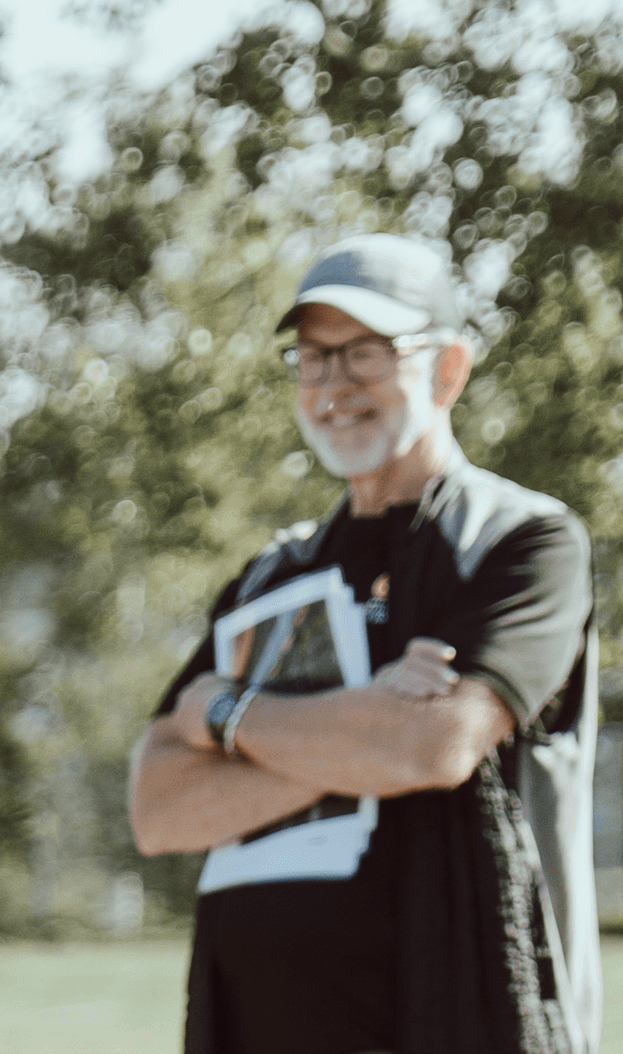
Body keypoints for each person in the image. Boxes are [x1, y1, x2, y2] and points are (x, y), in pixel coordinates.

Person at [126, 235, 597, 1054]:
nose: (334, 385)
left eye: (367, 354)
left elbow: (433, 744)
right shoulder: (274, 574)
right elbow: (158, 806)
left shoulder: (522, 543)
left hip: (464, 1023)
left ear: (449, 369)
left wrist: (231, 720)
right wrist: (357, 726)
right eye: (311, 359)